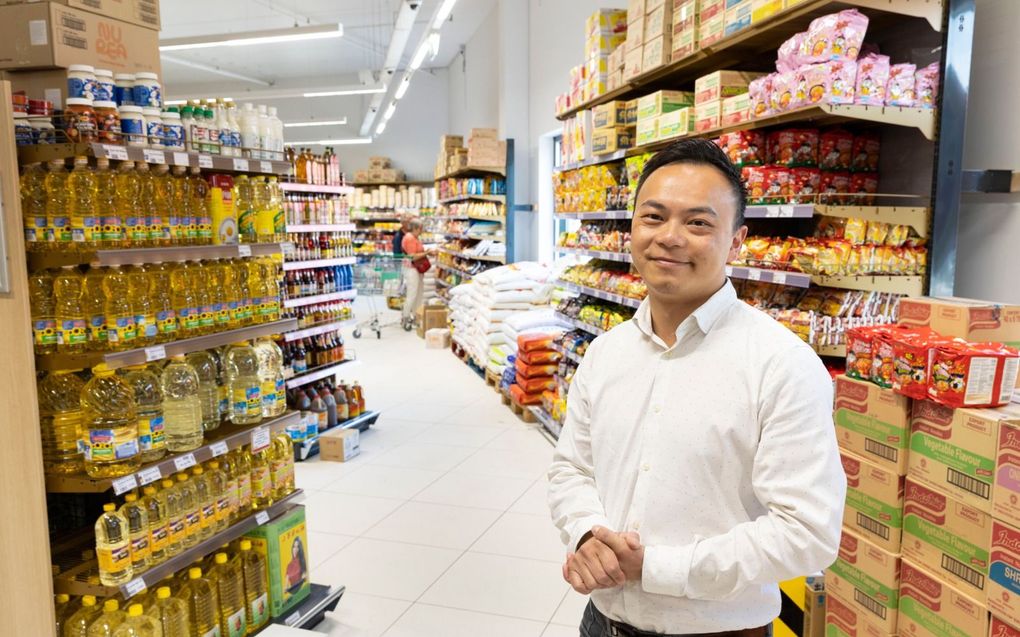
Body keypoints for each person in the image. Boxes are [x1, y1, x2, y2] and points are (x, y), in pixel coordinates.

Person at [548, 138, 846, 637]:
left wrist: (658, 567)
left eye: (698, 222)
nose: (670, 237)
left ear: (736, 241)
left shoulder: (782, 364)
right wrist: (585, 534)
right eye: (653, 217)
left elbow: (807, 532)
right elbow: (571, 469)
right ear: (631, 229)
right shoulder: (606, 354)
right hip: (601, 623)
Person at [401, 218, 430, 325]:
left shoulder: (414, 238)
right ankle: (406, 317)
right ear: (416, 228)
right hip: (412, 269)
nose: (422, 231)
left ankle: (416, 317)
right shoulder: (409, 238)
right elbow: (412, 257)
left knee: (418, 294)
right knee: (412, 294)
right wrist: (427, 253)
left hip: (417, 269)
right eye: (421, 229)